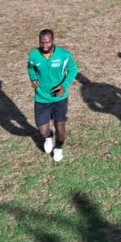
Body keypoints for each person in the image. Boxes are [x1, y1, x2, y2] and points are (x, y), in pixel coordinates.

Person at [28, 29, 79, 162]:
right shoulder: (34, 55)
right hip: (41, 98)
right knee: (42, 130)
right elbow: (31, 68)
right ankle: (49, 136)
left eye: (47, 42)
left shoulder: (64, 55)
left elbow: (73, 69)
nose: (44, 45)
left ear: (53, 41)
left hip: (59, 99)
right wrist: (33, 79)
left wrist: (65, 86)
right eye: (41, 42)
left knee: (60, 126)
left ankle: (58, 148)